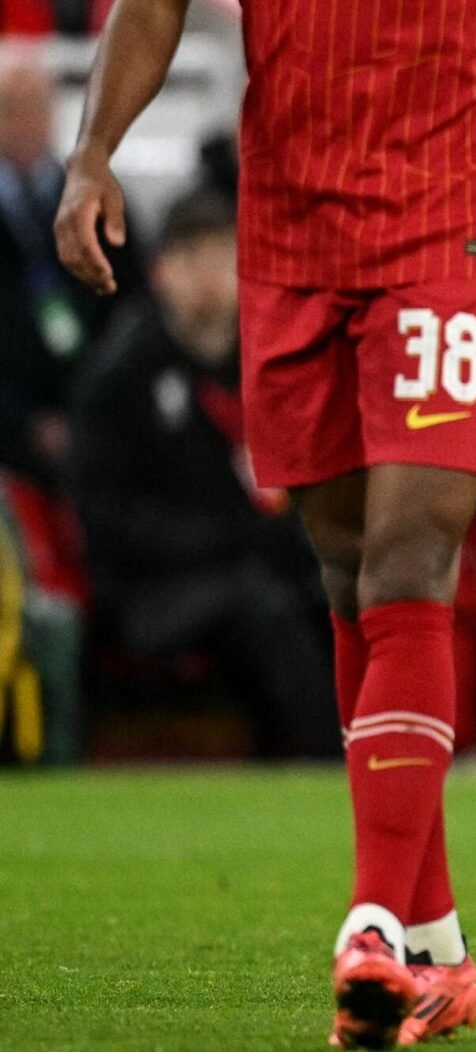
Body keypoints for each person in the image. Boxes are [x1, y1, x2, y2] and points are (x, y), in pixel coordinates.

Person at [55, 0, 476, 1051]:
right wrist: (92, 151)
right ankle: (436, 951)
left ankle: (373, 924)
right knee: (350, 575)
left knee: (408, 561)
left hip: (449, 228)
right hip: (292, 241)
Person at [69, 190, 337, 759]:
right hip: (150, 589)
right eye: (194, 260)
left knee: (334, 594)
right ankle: (327, 766)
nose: (211, 279)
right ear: (162, 272)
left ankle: (398, 756)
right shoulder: (121, 376)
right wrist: (226, 540)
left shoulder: (267, 366)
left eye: (224, 259)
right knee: (261, 607)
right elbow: (108, 518)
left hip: (251, 567)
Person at [0, 52, 141, 489]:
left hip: (100, 418)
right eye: (9, 109)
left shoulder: (99, 202)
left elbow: (133, 310)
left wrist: (96, 408)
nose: (25, 121)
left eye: (36, 106)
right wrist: (23, 421)